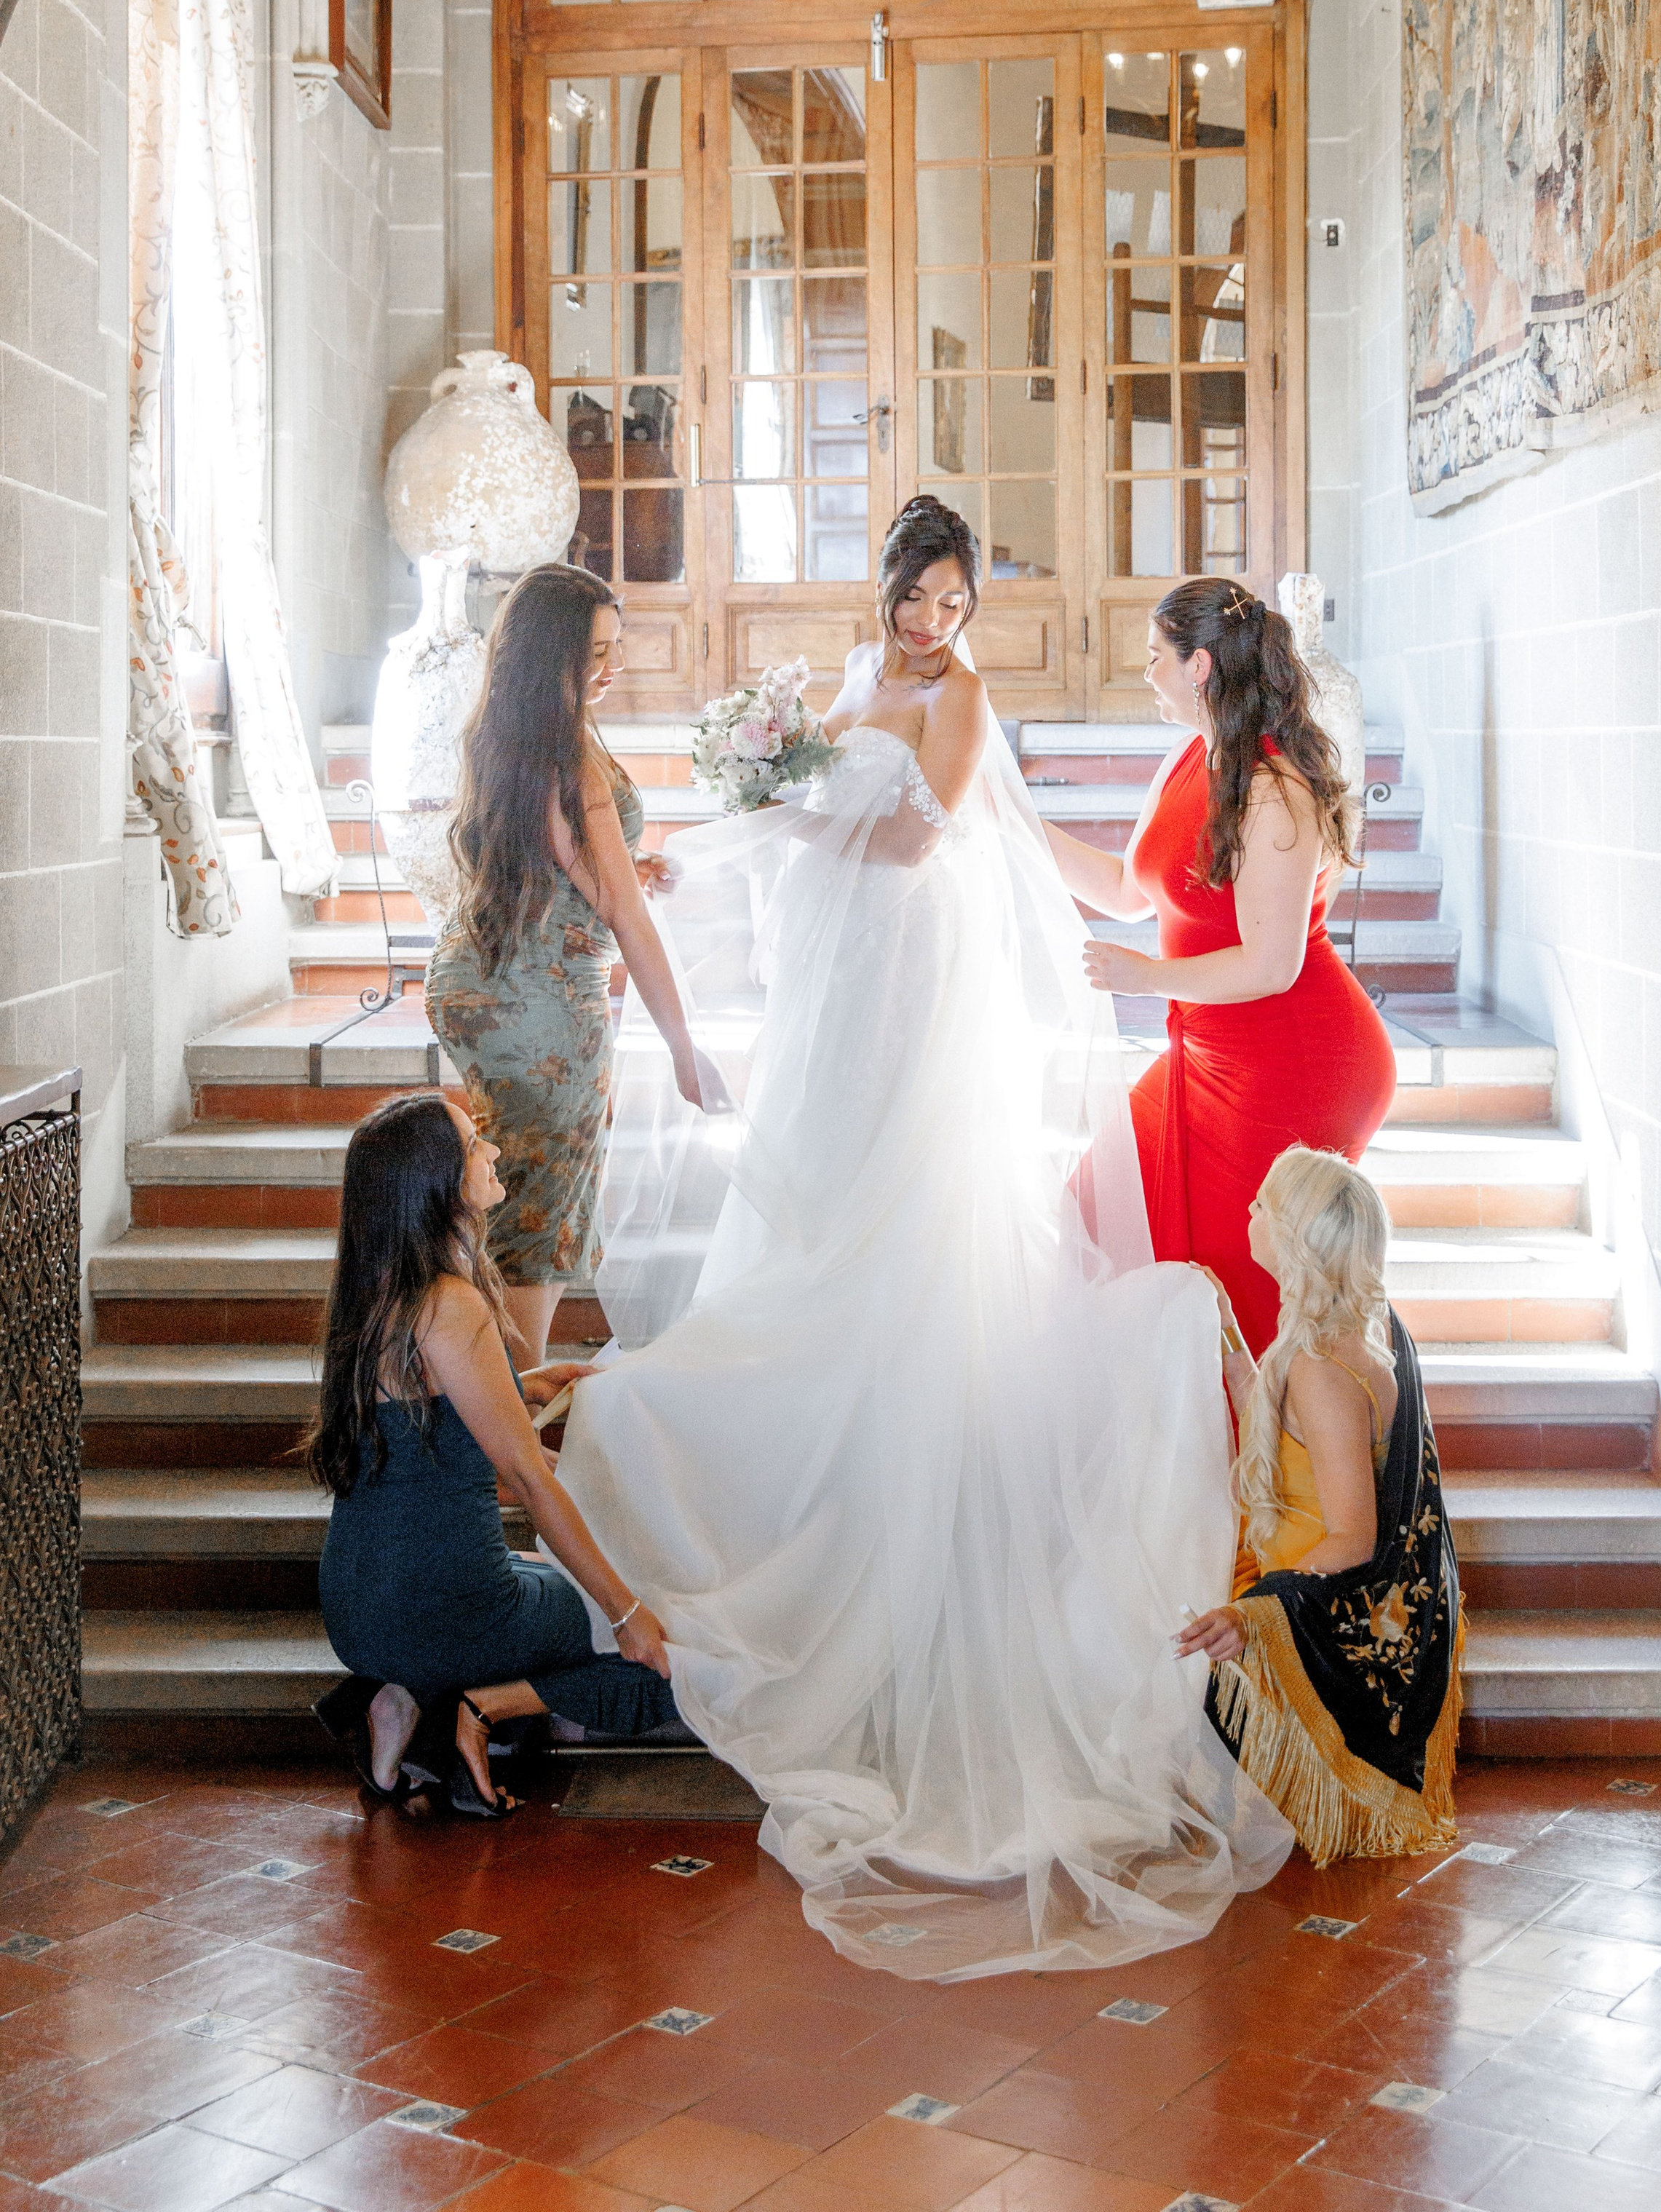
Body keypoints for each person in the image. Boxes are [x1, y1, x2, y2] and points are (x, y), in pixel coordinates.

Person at [553, 495, 1294, 1978]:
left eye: (956, 601)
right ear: (890, 587)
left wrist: (780, 811)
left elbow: (911, 839)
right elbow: (834, 808)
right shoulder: (848, 668)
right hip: (832, 962)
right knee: (807, 1184)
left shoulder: (962, 701)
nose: (933, 623)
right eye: (920, 597)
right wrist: (766, 802)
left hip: (904, 961)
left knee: (898, 1210)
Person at [1042, 579, 1398, 1355]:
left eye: (1154, 658)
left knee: (1242, 1289)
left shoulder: (1275, 787)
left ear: (1199, 665)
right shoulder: (1189, 760)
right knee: (1091, 1219)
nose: (1145, 674)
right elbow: (1124, 891)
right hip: (1205, 1056)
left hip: (1293, 1060)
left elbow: (1272, 966)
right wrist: (1017, 824)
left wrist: (1146, 979)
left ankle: (1271, 1465)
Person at [310, 1091, 683, 1815]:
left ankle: (396, 1701)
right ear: (437, 1181)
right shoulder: (450, 1303)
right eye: (474, 1142)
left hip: (354, 1604)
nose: (494, 1152)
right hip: (440, 1606)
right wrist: (626, 1611)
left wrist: (528, 1385)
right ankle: (480, 1707)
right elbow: (524, 1479)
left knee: (548, 1570)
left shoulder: (376, 1294)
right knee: (674, 1628)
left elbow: (440, 1421)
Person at [426, 563, 715, 1371]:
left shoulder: (514, 731)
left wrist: (629, 864)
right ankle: (509, 1427)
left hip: (485, 976)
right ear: (548, 651)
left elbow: (562, 861)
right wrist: (684, 1049)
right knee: (538, 1212)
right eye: (594, 651)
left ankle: (483, 1406)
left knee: (505, 1193)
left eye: (616, 648)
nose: (610, 668)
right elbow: (621, 914)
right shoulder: (567, 753)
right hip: (537, 1003)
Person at [1178, 1146, 1462, 1865]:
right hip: (1289, 1577)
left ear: (1293, 1238)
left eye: (1262, 1206)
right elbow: (1276, 1426)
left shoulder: (1324, 1372)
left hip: (1318, 1623)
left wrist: (1252, 1617)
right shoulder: (1330, 1338)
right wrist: (1227, 1341)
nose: (1249, 1214)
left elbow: (1352, 1538)